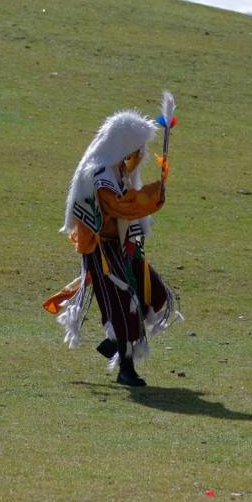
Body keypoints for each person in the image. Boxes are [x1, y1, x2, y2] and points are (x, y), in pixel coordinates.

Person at [43, 101, 182, 387]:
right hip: (100, 248)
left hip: (123, 245)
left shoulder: (120, 172)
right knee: (123, 303)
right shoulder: (99, 175)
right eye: (135, 149)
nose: (138, 155)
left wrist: (149, 196)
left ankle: (115, 345)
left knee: (151, 294)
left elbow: (129, 204)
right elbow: (119, 207)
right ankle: (125, 367)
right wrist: (153, 196)